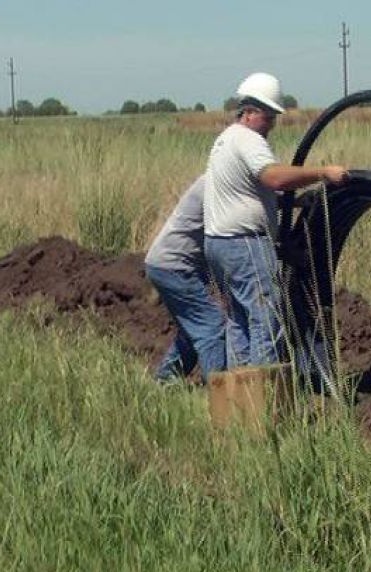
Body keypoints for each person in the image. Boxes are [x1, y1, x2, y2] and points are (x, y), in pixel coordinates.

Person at [203, 72, 348, 366]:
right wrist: (324, 173)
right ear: (252, 112)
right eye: (269, 118)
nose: (271, 126)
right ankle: (265, 403)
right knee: (265, 322)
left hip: (219, 244)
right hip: (244, 245)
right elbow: (274, 177)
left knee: (240, 322)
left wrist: (291, 203)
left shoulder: (225, 139)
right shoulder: (248, 139)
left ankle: (240, 401)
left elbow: (247, 193)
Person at [145, 175, 227, 383]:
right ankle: (219, 396)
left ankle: (164, 382)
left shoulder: (222, 178)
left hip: (166, 263)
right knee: (212, 327)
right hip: (174, 266)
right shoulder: (219, 183)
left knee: (193, 329)